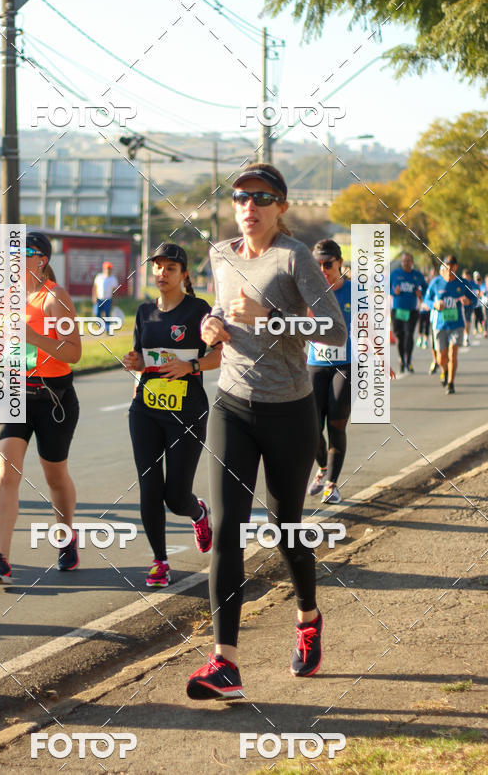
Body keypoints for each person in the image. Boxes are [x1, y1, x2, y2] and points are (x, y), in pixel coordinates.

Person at [186, 163, 347, 701]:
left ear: (280, 206)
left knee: (286, 530)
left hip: (289, 410)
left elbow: (332, 328)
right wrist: (212, 324)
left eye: (260, 199)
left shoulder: (295, 257)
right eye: (240, 199)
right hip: (232, 404)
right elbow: (220, 306)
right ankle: (225, 664)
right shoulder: (223, 254)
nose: (248, 207)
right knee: (228, 528)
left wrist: (270, 316)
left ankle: (307, 617)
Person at [0, 232, 82, 583]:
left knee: (55, 475)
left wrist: (35, 338)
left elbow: (73, 353)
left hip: (53, 397)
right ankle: (0, 557)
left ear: (41, 260)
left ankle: (66, 537)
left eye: (23, 252)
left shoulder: (55, 297)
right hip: (12, 392)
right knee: (5, 472)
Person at [122, 242, 221, 588]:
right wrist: (133, 362)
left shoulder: (199, 310)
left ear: (184, 274)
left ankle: (198, 512)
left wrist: (191, 365)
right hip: (146, 408)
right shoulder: (144, 310)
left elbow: (222, 354)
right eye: (157, 266)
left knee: (175, 497)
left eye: (170, 268)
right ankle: (160, 561)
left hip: (187, 411)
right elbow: (139, 356)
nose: (162, 273)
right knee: (149, 486)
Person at [307, 240, 351, 505]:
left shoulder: (355, 292)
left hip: (345, 365)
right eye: (318, 265)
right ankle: (322, 467)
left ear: (340, 265)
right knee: (311, 429)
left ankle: (332, 484)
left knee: (336, 423)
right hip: (316, 364)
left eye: (328, 265)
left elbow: (370, 329)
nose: (323, 270)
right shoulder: (308, 293)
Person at [423, 255, 471, 395]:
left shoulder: (462, 283)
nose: (449, 269)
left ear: (456, 267)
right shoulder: (436, 282)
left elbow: (473, 298)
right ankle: (444, 370)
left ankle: (451, 383)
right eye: (447, 266)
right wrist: (435, 304)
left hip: (457, 324)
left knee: (453, 353)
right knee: (441, 357)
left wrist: (468, 301)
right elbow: (427, 299)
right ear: (443, 266)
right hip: (440, 324)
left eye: (452, 266)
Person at [390, 252, 426, 373]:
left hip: (412, 310)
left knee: (409, 334)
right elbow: (385, 288)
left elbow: (426, 289)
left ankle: (409, 361)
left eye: (409, 261)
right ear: (401, 262)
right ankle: (401, 359)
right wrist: (394, 291)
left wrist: (420, 293)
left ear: (412, 262)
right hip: (397, 310)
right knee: (399, 336)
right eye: (404, 261)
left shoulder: (417, 275)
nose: (406, 263)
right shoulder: (395, 274)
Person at [92, 261, 119, 334]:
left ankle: (107, 329)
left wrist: (114, 300)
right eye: (107, 268)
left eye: (109, 269)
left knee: (107, 314)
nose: (108, 270)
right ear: (104, 269)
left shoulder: (113, 278)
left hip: (108, 299)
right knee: (98, 314)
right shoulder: (99, 277)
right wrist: (94, 296)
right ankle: (101, 327)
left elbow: (114, 290)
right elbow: (95, 287)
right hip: (100, 299)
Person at [461, 268, 478, 347]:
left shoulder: (473, 285)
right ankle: (461, 337)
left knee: (467, 321)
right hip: (460, 307)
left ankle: (466, 337)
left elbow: (475, 298)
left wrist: (470, 302)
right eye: (465, 277)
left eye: (468, 276)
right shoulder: (459, 283)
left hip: (469, 306)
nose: (466, 278)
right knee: (461, 323)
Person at [472, 271, 485, 336]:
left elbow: (482, 291)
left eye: (478, 277)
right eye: (476, 277)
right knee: (475, 317)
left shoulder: (481, 284)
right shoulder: (472, 284)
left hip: (480, 303)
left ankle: (481, 326)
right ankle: (475, 328)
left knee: (481, 316)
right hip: (475, 304)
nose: (477, 279)